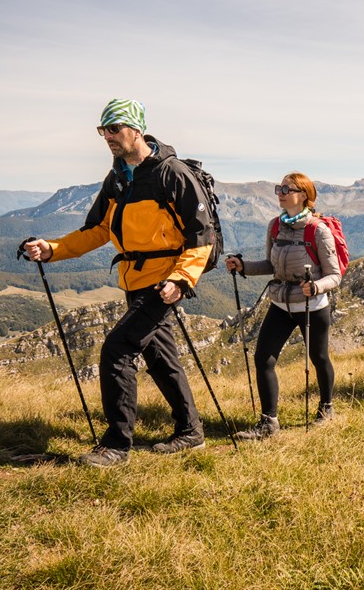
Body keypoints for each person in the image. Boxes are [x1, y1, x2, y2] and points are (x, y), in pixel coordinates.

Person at [24, 98, 215, 467]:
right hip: (134, 280)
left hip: (165, 281)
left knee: (117, 349)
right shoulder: (117, 178)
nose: (107, 136)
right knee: (160, 356)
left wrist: (181, 279)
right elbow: (97, 230)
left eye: (114, 128)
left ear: (136, 130)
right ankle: (191, 431)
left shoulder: (171, 173)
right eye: (103, 130)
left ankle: (116, 445)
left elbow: (201, 234)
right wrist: (52, 249)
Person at [225, 172, 342, 440]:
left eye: (287, 189)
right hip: (280, 304)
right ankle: (269, 423)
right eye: (279, 188)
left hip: (313, 306)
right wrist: (243, 267)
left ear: (304, 195)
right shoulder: (275, 226)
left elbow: (334, 275)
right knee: (263, 359)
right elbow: (271, 265)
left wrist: (316, 287)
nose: (280, 193)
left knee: (319, 358)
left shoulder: (318, 230)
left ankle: (326, 407)